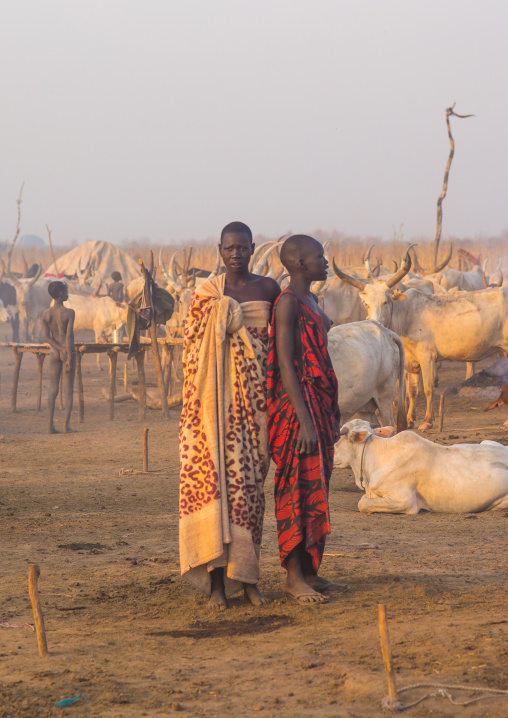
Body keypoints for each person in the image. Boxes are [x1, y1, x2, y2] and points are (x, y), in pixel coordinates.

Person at [179, 221, 280, 610]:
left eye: (242, 247)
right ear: (219, 250)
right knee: (218, 493)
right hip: (212, 414)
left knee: (249, 496)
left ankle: (249, 580)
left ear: (253, 248)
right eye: (228, 248)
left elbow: (274, 348)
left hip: (254, 411)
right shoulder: (206, 295)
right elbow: (192, 353)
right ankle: (217, 587)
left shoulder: (268, 289)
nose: (235, 253)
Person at [267, 235, 342, 603]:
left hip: (319, 405)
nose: (325, 262)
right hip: (297, 411)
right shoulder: (287, 303)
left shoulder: (312, 299)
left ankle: (311, 572)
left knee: (317, 489)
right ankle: (293, 577)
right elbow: (284, 363)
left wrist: (330, 410)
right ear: (299, 263)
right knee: (296, 490)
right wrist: (305, 420)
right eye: (319, 257)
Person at [41, 281, 76, 434]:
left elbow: (45, 336)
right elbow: (68, 336)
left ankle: (50, 427)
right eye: (66, 291)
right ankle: (66, 426)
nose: (68, 293)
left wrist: (59, 349)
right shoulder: (69, 313)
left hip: (54, 353)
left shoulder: (46, 314)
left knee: (52, 389)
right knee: (68, 390)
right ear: (61, 294)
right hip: (67, 352)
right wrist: (67, 355)